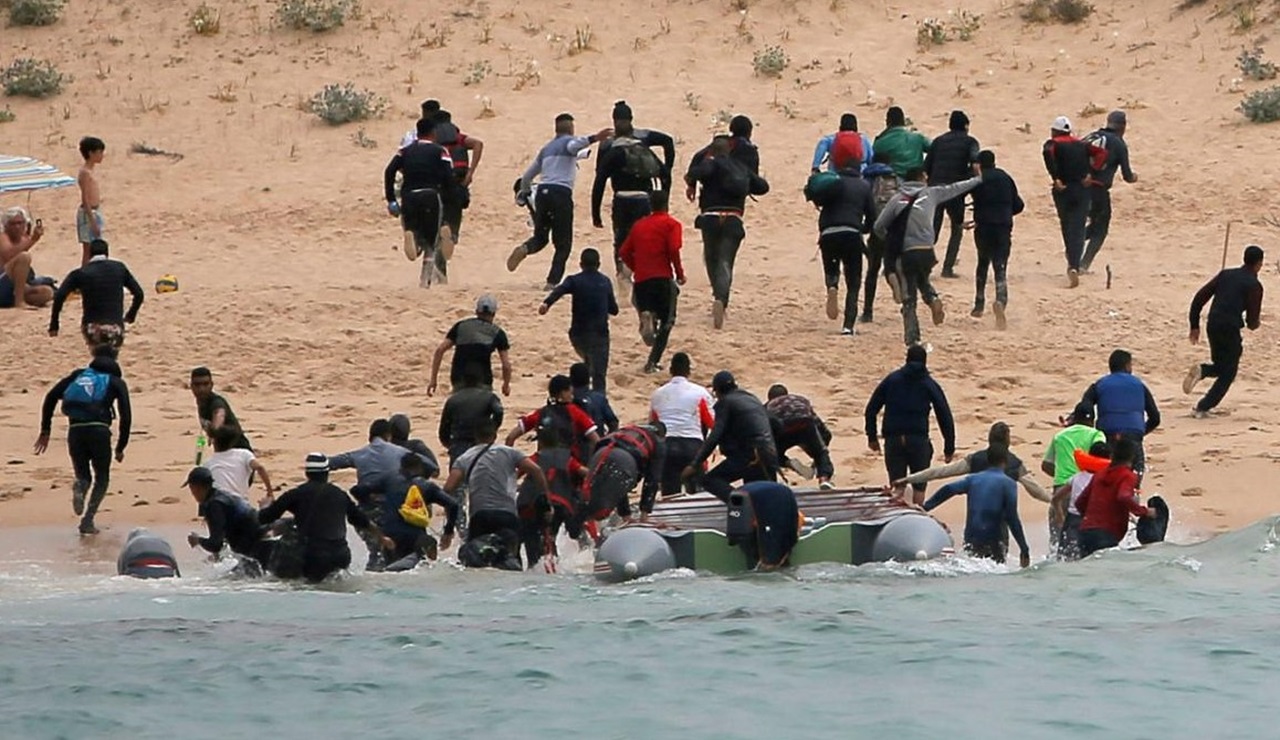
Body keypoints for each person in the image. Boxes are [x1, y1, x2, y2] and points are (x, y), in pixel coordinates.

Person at [872, 166, 984, 346]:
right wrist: (978, 179)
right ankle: (933, 299)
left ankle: (913, 338)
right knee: (922, 278)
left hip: (907, 251)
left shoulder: (897, 199)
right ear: (922, 178)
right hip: (927, 250)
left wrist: (892, 240)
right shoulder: (932, 193)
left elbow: (879, 226)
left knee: (909, 298)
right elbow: (955, 188)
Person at [34, 345, 131, 534]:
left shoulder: (78, 375)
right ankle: (88, 520)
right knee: (102, 477)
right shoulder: (116, 382)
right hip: (99, 431)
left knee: (83, 475)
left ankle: (80, 486)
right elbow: (126, 416)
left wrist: (45, 430)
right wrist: (121, 446)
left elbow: (51, 396)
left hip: (75, 431)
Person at [508, 113, 612, 287]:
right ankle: (552, 282)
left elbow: (527, 177)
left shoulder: (546, 149)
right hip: (560, 194)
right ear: (571, 128)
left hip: (542, 194)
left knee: (541, 237)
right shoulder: (568, 143)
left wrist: (524, 193)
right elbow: (573, 146)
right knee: (563, 244)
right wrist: (595, 138)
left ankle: (525, 248)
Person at [257, 454, 394, 582]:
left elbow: (266, 518)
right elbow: (361, 520)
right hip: (341, 555)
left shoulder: (295, 494)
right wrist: (382, 538)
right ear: (327, 473)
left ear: (307, 473)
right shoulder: (340, 494)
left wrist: (264, 506)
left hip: (313, 556)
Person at [685, 134, 770, 329]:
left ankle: (717, 294)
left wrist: (701, 168)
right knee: (725, 261)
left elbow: (694, 173)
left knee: (711, 258)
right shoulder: (740, 166)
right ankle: (721, 301)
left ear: (712, 150)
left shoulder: (710, 163)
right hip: (733, 218)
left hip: (710, 217)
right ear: (730, 150)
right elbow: (763, 187)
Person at [591, 100, 676, 289]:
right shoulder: (643, 141)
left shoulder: (608, 145)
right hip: (644, 199)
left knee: (621, 238)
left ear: (614, 120)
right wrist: (664, 195)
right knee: (644, 238)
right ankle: (643, 274)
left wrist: (595, 212)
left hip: (621, 198)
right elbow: (668, 142)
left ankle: (623, 276)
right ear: (631, 118)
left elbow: (599, 178)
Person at [444, 422, 549, 569]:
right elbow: (536, 470)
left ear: (475, 437)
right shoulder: (510, 453)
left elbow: (448, 489)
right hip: (506, 516)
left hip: (479, 517)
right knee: (511, 562)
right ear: (494, 436)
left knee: (475, 563)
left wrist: (449, 527)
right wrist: (545, 499)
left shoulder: (464, 458)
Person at [865, 345, 956, 505]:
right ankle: (917, 512)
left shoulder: (892, 380)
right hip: (918, 440)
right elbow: (944, 415)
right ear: (925, 362)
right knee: (919, 488)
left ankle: (898, 514)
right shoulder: (929, 384)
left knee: (898, 486)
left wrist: (872, 437)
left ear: (907, 359)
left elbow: (871, 409)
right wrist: (949, 447)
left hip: (894, 439)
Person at [1185, 244, 1265, 417]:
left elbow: (1199, 298)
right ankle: (1203, 407)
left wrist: (1194, 325)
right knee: (1229, 373)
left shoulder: (1225, 274)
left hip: (1212, 324)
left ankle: (1203, 371)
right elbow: (1252, 321)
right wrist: (1255, 324)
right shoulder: (1254, 285)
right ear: (1259, 264)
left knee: (1221, 366)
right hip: (1230, 328)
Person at [921, 444, 1030, 567]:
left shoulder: (973, 479)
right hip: (995, 539)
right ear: (1006, 461)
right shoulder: (1009, 484)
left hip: (972, 537)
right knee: (995, 570)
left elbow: (948, 489)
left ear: (988, 460)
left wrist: (926, 507)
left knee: (973, 567)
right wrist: (1024, 549)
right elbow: (1012, 518)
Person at [806, 151, 877, 334]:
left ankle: (832, 286)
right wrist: (863, 228)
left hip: (828, 233)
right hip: (852, 233)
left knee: (831, 268)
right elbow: (872, 216)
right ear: (858, 170)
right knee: (853, 282)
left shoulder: (832, 183)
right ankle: (848, 326)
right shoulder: (863, 186)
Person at [895, 421, 1050, 503]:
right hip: (1001, 520)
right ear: (1008, 441)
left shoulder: (976, 459)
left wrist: (908, 479)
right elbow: (1036, 491)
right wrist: (1054, 501)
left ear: (989, 439)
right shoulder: (1015, 464)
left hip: (975, 517)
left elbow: (940, 473)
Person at [684, 371, 779, 502]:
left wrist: (695, 464)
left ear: (718, 391)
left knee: (710, 480)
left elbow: (715, 435)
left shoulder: (725, 402)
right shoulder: (752, 399)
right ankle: (749, 508)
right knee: (761, 498)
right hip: (768, 454)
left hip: (750, 454)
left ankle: (740, 503)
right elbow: (776, 423)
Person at [384, 117, 456, 288]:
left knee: (413, 229)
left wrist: (391, 199)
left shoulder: (405, 151)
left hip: (409, 196)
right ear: (433, 133)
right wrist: (449, 199)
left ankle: (413, 238)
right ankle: (425, 281)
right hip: (431, 195)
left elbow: (389, 171)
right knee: (431, 242)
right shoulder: (440, 151)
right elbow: (449, 177)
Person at [620, 189, 686, 372]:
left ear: (650, 205)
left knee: (648, 309)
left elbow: (624, 252)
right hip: (662, 278)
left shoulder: (639, 225)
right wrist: (680, 273)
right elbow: (673, 249)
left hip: (642, 281)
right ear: (667, 204)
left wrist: (636, 267)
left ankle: (647, 316)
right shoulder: (672, 224)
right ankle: (652, 362)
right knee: (667, 322)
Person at [539, 248, 619, 393]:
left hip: (578, 334)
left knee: (588, 362)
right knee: (599, 375)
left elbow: (560, 290)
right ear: (598, 264)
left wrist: (547, 303)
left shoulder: (574, 280)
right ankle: (598, 400)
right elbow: (614, 310)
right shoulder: (605, 282)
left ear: (581, 264)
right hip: (600, 334)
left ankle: (581, 393)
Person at [1042, 116, 1107, 287]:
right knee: (1078, 227)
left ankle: (1071, 260)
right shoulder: (1082, 144)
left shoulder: (1053, 144)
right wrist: (1092, 173)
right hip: (1082, 188)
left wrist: (1055, 177)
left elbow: (1048, 153)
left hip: (1062, 189)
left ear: (1054, 131)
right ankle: (1074, 265)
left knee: (1066, 224)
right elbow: (1102, 153)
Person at [1079, 349, 1161, 483]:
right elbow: (1155, 418)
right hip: (1132, 435)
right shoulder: (1139, 385)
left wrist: (1091, 427)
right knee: (1132, 481)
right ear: (1127, 366)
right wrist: (1139, 433)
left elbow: (1085, 405)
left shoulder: (1100, 384)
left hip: (1107, 435)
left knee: (1105, 480)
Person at [48, 238, 144, 348]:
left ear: (89, 254)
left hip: (92, 327)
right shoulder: (119, 268)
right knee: (112, 352)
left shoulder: (80, 273)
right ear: (107, 253)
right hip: (115, 327)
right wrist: (130, 315)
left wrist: (54, 324)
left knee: (97, 350)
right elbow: (139, 294)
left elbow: (59, 296)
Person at [968, 150, 1024, 328]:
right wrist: (1005, 212)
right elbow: (1019, 205)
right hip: (1003, 226)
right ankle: (1000, 300)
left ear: (979, 164)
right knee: (1000, 266)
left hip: (983, 226)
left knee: (982, 262)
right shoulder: (1005, 177)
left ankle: (979, 303)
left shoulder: (978, 180)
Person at [1074, 438, 1157, 557]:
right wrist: (1144, 511)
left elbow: (1079, 502)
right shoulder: (1127, 476)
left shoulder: (1099, 475)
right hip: (1106, 534)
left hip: (1085, 533)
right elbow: (1123, 496)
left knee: (1087, 566)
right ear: (1132, 458)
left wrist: (1091, 520)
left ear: (1112, 455)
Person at [650, 352, 715, 496]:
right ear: (688, 371)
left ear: (671, 371)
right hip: (692, 445)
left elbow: (654, 426)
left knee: (670, 495)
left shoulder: (657, 394)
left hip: (667, 446)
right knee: (698, 494)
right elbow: (712, 423)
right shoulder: (700, 393)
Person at [925, 110, 980, 278]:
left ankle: (925, 265)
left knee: (932, 230)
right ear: (966, 126)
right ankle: (947, 268)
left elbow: (926, 167)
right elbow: (975, 163)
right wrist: (978, 182)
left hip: (935, 190)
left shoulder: (938, 141)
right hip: (955, 190)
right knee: (956, 229)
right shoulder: (970, 142)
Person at [377, 453, 459, 566]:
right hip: (415, 537)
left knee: (391, 568)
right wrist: (448, 532)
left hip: (390, 535)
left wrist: (377, 505)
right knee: (419, 564)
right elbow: (453, 504)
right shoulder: (427, 486)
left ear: (401, 468)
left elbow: (359, 491)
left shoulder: (389, 481)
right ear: (420, 468)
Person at [183, 466, 273, 569]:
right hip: (263, 536)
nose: (192, 493)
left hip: (255, 545)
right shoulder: (221, 496)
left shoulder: (214, 506)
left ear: (197, 487)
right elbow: (222, 536)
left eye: (191, 488)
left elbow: (215, 545)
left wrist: (198, 540)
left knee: (239, 576)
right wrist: (215, 556)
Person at [1081, 110, 1138, 272]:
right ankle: (1083, 264)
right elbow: (1127, 176)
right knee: (1101, 230)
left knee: (1091, 225)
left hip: (1080, 188)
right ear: (1123, 126)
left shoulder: (1091, 136)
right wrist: (1134, 177)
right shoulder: (1119, 144)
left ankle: (1074, 246)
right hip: (1098, 190)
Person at [428, 294, 513, 397]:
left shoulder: (460, 326)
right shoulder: (497, 333)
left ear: (477, 311)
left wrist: (433, 380)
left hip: (459, 378)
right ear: (494, 313)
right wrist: (506, 385)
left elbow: (440, 350)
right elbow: (506, 365)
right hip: (482, 380)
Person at [504, 375, 601, 463]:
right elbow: (596, 440)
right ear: (563, 393)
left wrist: (508, 464)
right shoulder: (575, 412)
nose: (572, 397)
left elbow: (511, 437)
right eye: (570, 393)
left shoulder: (541, 413)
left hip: (543, 464)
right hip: (569, 465)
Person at [583, 422, 667, 522]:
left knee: (588, 503)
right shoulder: (658, 443)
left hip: (599, 455)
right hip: (624, 462)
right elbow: (652, 480)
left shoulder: (626, 430)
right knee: (601, 510)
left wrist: (625, 514)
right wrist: (644, 515)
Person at [766, 385, 835, 489]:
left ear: (770, 398)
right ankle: (824, 479)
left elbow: (764, 427)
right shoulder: (799, 400)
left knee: (773, 454)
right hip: (805, 424)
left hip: (783, 427)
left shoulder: (769, 405)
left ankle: (789, 463)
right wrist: (822, 445)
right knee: (820, 453)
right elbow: (817, 422)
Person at [860, 152, 902, 322]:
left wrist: (865, 227)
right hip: (895, 229)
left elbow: (863, 206)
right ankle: (894, 278)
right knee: (897, 265)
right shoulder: (897, 180)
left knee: (872, 270)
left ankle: (868, 312)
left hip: (876, 229)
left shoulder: (866, 181)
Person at [1052, 440, 1110, 560]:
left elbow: (1056, 499)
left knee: (1067, 558)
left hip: (1073, 521)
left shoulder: (1077, 478)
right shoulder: (1108, 481)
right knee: (1095, 558)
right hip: (1096, 524)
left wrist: (1060, 515)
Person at [438, 366, 505, 462]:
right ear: (481, 380)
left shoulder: (453, 400)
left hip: (459, 442)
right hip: (482, 440)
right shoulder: (489, 396)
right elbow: (499, 411)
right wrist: (492, 428)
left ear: (462, 381)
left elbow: (443, 429)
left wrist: (450, 445)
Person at [1041, 402, 1108, 495]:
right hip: (1086, 486)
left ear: (1074, 418)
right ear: (1093, 421)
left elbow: (1046, 465)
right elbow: (1101, 455)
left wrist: (1060, 474)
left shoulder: (1060, 436)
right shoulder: (1096, 434)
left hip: (1062, 486)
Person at [202, 424, 273, 503]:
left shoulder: (207, 464)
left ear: (213, 442)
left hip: (218, 504)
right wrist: (270, 492)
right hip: (241, 503)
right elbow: (260, 467)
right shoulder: (244, 454)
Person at [0, 206, 54, 310]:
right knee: (24, 257)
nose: (17, 227)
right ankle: (19, 301)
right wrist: (33, 240)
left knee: (46, 292)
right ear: (6, 226)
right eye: (13, 224)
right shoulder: (3, 237)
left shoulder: (24, 238)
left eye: (20, 223)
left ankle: (17, 298)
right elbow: (9, 255)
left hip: (12, 288)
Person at [190, 366, 252, 450]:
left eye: (205, 384)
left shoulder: (216, 402)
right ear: (191, 386)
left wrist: (215, 429)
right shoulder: (201, 402)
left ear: (211, 385)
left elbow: (219, 413)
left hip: (239, 451)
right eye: (197, 385)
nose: (201, 389)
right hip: (223, 452)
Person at [873, 106, 931, 177]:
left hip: (894, 179)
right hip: (916, 178)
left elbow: (874, 162)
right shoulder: (918, 138)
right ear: (903, 121)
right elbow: (935, 148)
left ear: (887, 122)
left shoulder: (880, 143)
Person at [77, 136, 107, 267]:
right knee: (88, 249)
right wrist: (92, 220)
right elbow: (85, 197)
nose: (102, 155)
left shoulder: (90, 171)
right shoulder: (85, 173)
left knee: (95, 247)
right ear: (91, 153)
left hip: (95, 210)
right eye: (99, 152)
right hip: (88, 213)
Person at [570, 362, 619, 435]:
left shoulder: (566, 400)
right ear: (589, 379)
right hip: (598, 439)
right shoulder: (599, 398)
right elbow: (613, 423)